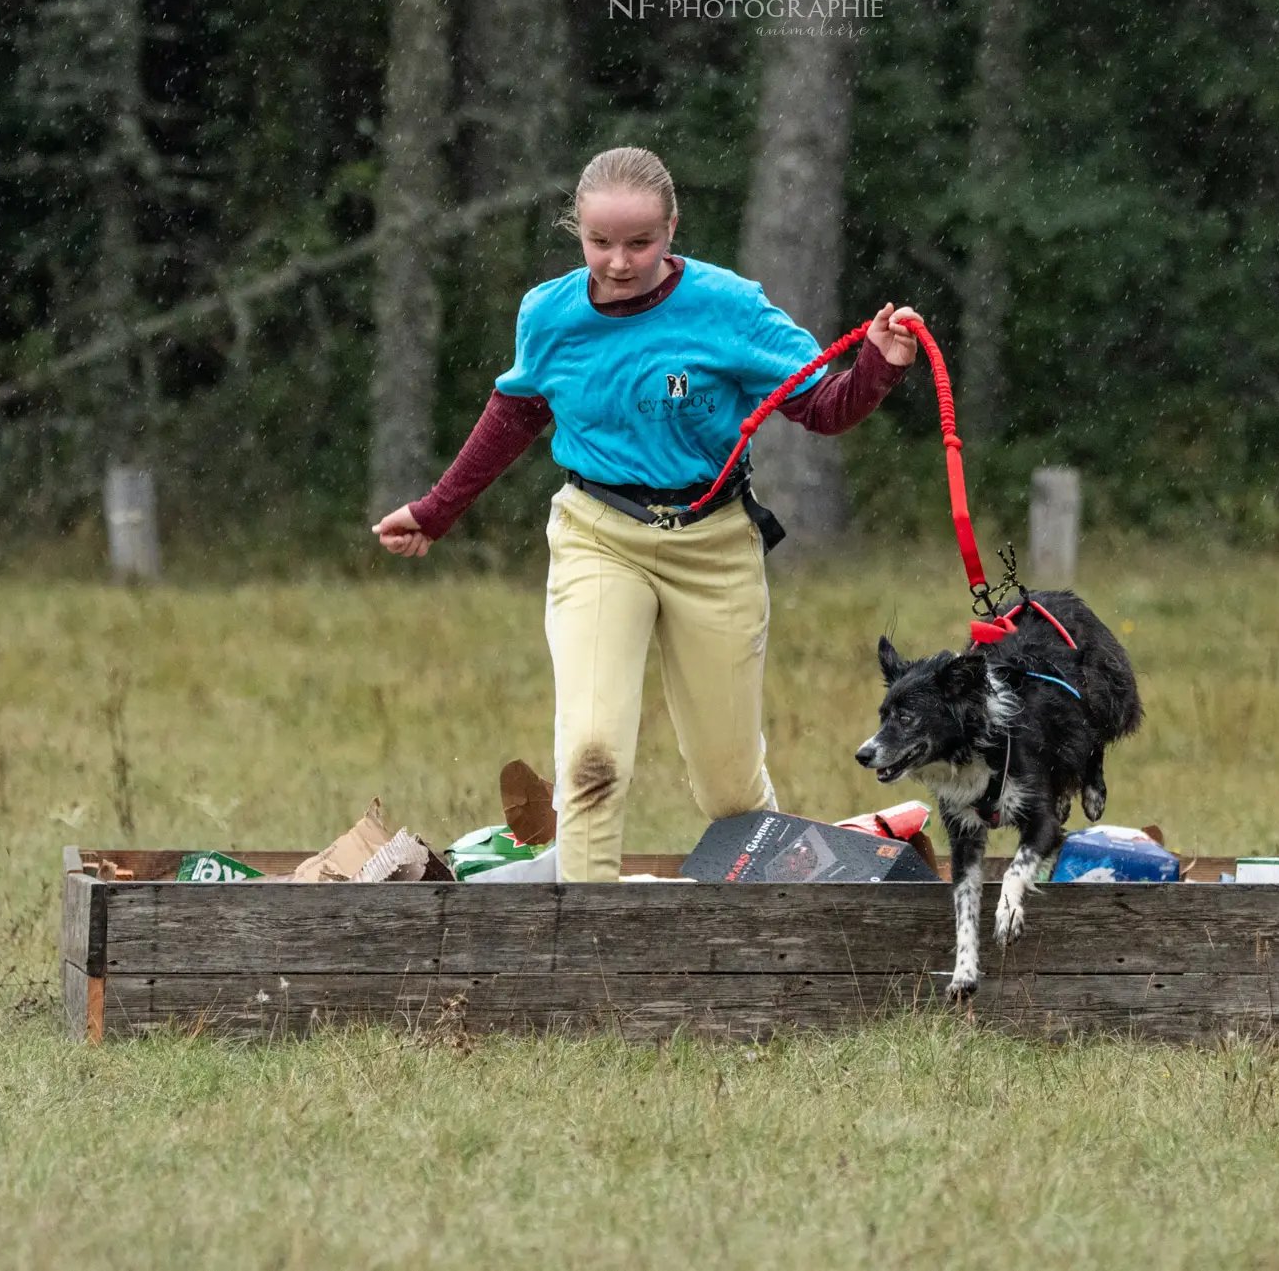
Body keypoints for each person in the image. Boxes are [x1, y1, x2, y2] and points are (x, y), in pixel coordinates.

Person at [372, 146, 920, 881]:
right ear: (578, 231)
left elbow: (822, 407)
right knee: (593, 755)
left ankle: (774, 925)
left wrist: (879, 365)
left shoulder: (730, 307)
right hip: (599, 537)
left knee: (727, 787)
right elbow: (515, 414)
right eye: (600, 242)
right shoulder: (550, 314)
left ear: (672, 230)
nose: (620, 262)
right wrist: (435, 511)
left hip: (715, 543)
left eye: (640, 242)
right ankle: (592, 950)